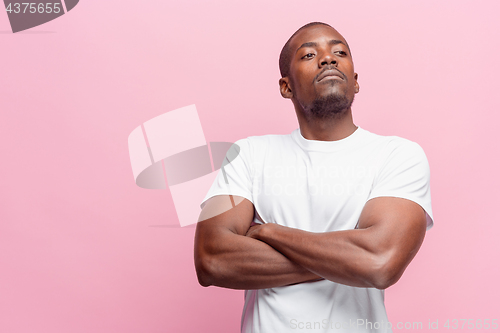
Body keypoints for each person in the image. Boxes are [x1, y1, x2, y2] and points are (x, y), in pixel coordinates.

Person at [194, 22, 433, 333]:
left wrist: (269, 233)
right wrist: (349, 259)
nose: (327, 59)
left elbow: (380, 262)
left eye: (339, 52)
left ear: (356, 81)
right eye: (309, 55)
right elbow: (212, 259)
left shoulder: (397, 154)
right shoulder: (249, 154)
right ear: (286, 87)